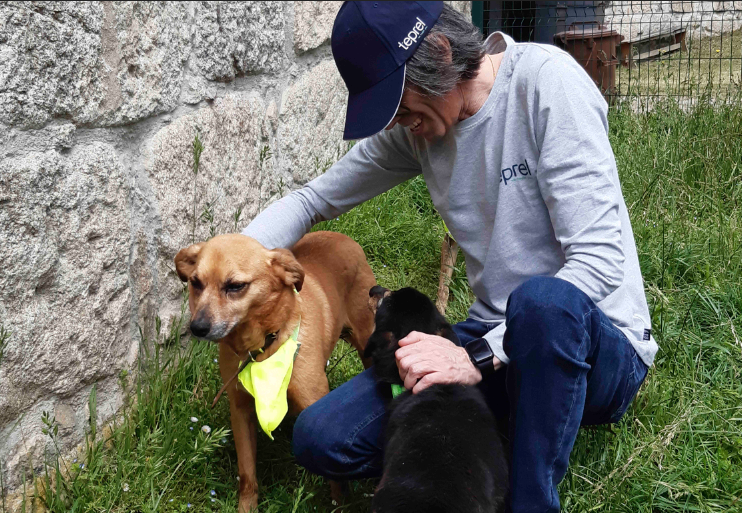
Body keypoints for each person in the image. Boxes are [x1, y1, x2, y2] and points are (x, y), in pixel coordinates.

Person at [242, 2, 657, 511]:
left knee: (543, 302)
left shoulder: (548, 84)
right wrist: (234, 261)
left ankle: (530, 499)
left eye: (399, 104)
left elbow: (597, 261)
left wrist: (472, 358)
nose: (397, 122)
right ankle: (502, 427)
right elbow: (313, 200)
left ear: (438, 52)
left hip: (593, 348)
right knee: (321, 436)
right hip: (494, 340)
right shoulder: (418, 131)